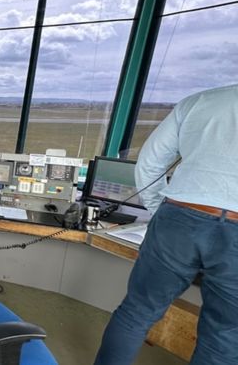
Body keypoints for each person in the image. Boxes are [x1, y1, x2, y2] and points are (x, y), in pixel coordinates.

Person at [94, 84, 238, 365]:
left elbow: (149, 163)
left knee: (136, 312)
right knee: (225, 334)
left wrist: (161, 210)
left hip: (180, 216)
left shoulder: (200, 101)